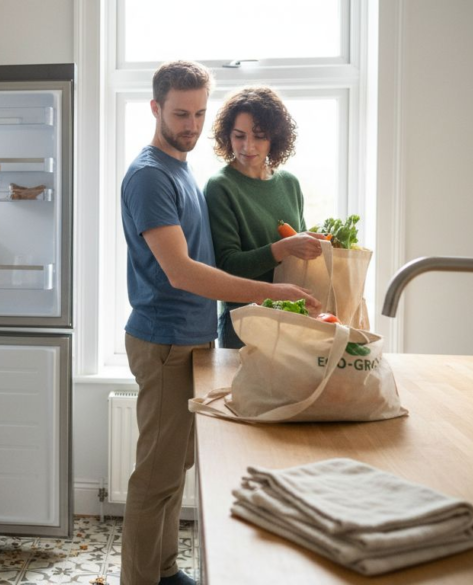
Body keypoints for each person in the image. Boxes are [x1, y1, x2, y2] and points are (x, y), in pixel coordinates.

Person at [120, 62, 318, 585]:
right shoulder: (149, 177)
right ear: (155, 108)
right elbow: (181, 272)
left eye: (199, 113)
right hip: (162, 338)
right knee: (154, 476)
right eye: (180, 113)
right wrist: (273, 291)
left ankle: (162, 571)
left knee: (174, 467)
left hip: (190, 338)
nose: (191, 124)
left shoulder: (179, 169)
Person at [204, 87, 327, 348]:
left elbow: (299, 263)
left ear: (275, 139)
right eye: (239, 136)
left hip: (292, 318)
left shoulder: (289, 183)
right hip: (245, 322)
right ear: (228, 136)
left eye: (259, 137)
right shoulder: (221, 187)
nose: (248, 146)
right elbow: (227, 266)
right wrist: (283, 248)